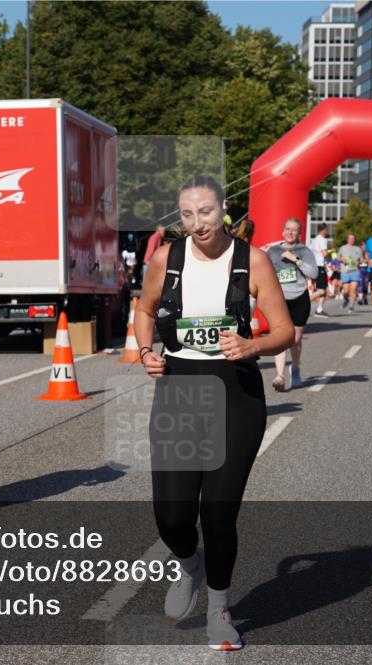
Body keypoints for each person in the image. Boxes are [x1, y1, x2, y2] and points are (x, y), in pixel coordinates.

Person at [134, 175, 292, 651]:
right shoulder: (167, 259)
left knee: (218, 513)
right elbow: (144, 310)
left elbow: (283, 330)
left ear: (224, 209)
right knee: (172, 515)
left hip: (235, 392)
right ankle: (189, 564)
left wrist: (253, 344)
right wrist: (146, 353)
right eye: (187, 214)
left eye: (205, 212)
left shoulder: (253, 260)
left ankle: (220, 608)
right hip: (180, 388)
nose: (198, 223)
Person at [265, 219, 319, 391]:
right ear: (283, 231)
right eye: (287, 229)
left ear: (299, 233)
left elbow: (314, 273)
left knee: (295, 340)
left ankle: (295, 368)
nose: (290, 233)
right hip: (279, 299)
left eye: (294, 230)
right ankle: (279, 375)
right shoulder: (273, 251)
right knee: (281, 338)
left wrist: (295, 259)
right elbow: (264, 272)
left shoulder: (304, 251)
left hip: (299, 297)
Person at [308, 224, 331, 318]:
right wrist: (331, 251)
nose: (327, 232)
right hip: (320, 266)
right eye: (327, 230)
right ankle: (304, 301)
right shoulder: (322, 239)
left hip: (316, 266)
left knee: (324, 290)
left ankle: (319, 310)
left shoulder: (314, 240)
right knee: (321, 291)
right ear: (324, 230)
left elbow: (309, 251)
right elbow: (325, 253)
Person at [337, 234, 363, 313]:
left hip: (355, 271)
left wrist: (358, 262)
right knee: (346, 291)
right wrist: (342, 260)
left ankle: (351, 305)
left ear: (355, 240)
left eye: (353, 238)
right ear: (347, 239)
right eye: (350, 238)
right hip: (345, 272)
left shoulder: (358, 249)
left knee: (353, 289)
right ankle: (346, 300)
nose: (351, 240)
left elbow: (361, 260)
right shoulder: (343, 248)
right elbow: (337, 258)